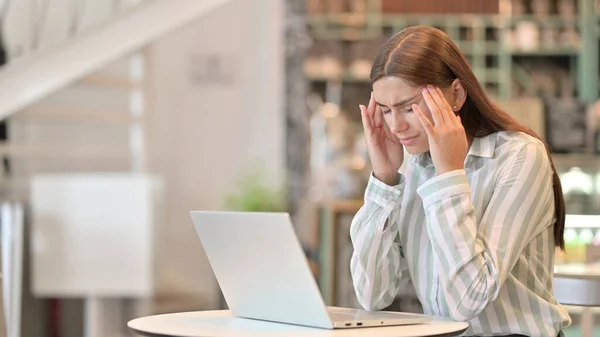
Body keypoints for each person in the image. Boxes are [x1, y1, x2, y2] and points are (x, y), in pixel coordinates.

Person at [350, 26, 571, 336]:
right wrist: (384, 181)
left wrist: (450, 175)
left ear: (455, 94)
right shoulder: (413, 165)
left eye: (408, 106)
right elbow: (372, 295)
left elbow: (470, 298)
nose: (396, 125)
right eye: (385, 111)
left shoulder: (518, 156)